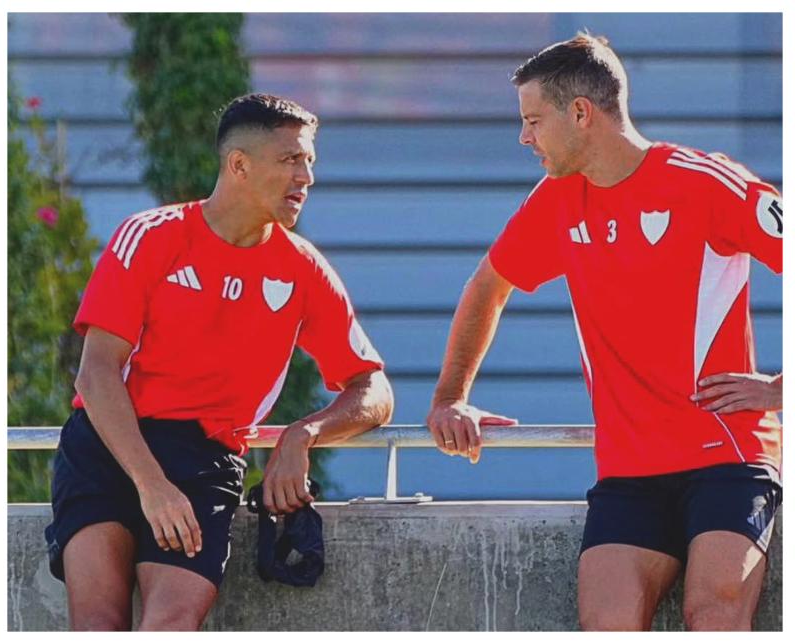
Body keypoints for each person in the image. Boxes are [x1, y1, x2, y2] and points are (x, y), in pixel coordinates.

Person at [426, 34, 782, 631]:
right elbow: (488, 285)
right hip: (629, 470)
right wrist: (449, 396)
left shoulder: (706, 182)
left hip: (728, 453)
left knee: (714, 615)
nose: (525, 137)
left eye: (534, 120)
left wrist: (782, 388)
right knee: (606, 627)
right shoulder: (556, 200)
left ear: (582, 114)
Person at [44, 93, 394, 631]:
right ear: (239, 165)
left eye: (310, 162)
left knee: (172, 625)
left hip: (203, 457)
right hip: (110, 444)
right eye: (291, 161)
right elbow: (96, 372)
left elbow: (373, 389)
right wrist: (152, 484)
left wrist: (301, 435)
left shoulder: (303, 268)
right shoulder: (150, 235)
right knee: (96, 626)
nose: (307, 177)